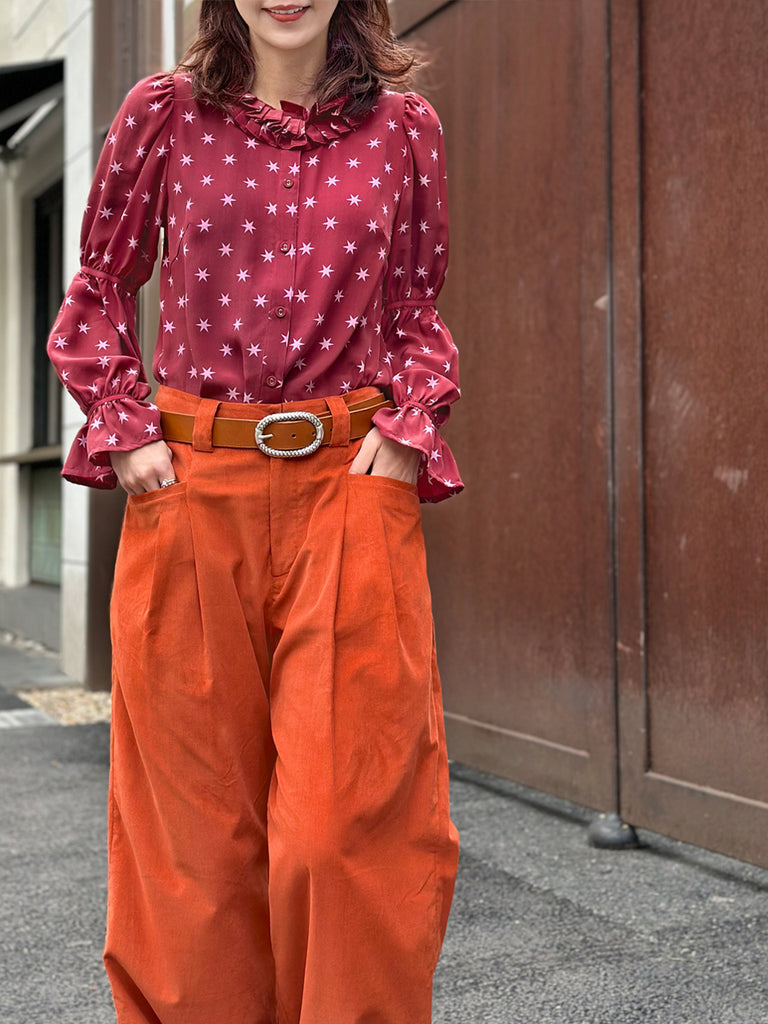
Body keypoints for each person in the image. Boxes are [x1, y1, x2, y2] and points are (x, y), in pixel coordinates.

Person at [48, 1, 462, 1021]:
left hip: (348, 489)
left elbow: (415, 309)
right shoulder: (164, 113)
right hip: (193, 492)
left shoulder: (405, 129)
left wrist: (408, 429)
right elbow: (99, 287)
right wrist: (126, 427)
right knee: (192, 842)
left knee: (343, 829)